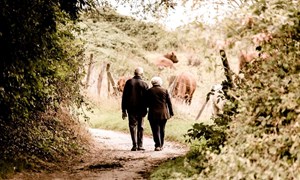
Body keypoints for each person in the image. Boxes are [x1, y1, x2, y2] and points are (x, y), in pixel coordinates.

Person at [121, 67, 149, 151]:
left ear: (134, 73)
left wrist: (123, 110)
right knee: (141, 126)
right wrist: (147, 108)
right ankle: (140, 145)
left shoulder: (129, 82)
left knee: (132, 126)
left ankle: (134, 145)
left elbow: (124, 97)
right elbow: (147, 98)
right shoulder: (144, 84)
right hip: (142, 108)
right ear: (142, 74)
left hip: (131, 108)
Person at [146, 76, 174, 151]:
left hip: (153, 113)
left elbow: (146, 103)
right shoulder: (165, 90)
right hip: (163, 113)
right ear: (160, 83)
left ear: (152, 83)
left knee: (155, 130)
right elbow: (169, 103)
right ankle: (161, 145)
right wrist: (171, 113)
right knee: (162, 129)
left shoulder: (149, 91)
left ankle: (157, 145)